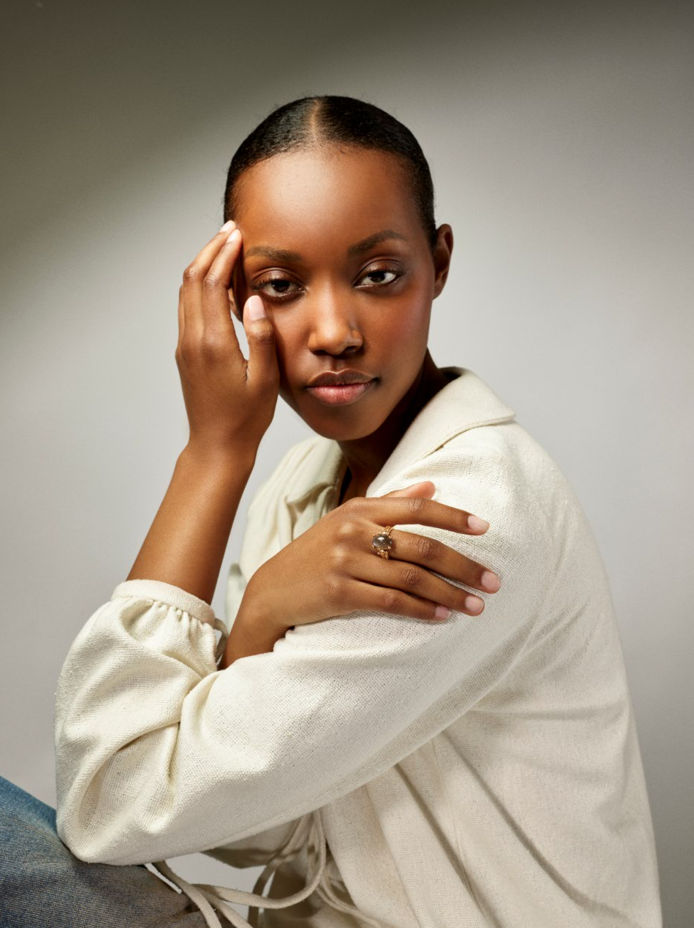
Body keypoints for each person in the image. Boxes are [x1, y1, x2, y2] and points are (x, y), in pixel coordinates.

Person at [0, 96, 661, 928]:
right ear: (234, 298)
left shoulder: (462, 508)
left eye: (378, 275)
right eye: (280, 286)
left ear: (440, 262)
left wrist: (212, 456)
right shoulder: (309, 482)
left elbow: (111, 803)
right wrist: (266, 601)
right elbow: (257, 822)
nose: (334, 330)